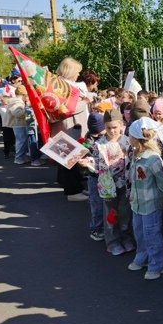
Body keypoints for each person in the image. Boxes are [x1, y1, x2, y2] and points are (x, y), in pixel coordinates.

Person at [127, 117, 163, 281]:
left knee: (152, 234)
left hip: (151, 204)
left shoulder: (153, 158)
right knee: (139, 232)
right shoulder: (136, 155)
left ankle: (157, 264)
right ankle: (142, 257)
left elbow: (162, 180)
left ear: (135, 138)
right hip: (137, 203)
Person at [92, 108, 133, 256]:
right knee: (110, 212)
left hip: (125, 183)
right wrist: (88, 164)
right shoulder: (100, 144)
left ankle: (126, 237)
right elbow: (96, 164)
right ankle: (113, 241)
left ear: (121, 125)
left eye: (115, 127)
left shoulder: (127, 141)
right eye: (108, 128)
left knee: (125, 211)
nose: (112, 131)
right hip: (109, 185)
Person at [52, 57, 89, 202]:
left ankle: (76, 188)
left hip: (70, 127)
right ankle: (72, 191)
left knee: (71, 161)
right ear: (71, 71)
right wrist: (84, 102)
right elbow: (65, 109)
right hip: (68, 128)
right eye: (77, 71)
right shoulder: (62, 87)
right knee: (68, 162)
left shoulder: (63, 84)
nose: (79, 74)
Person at [77, 113, 106, 242]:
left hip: (106, 175)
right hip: (94, 176)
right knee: (97, 204)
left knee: (106, 204)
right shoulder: (88, 142)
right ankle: (96, 228)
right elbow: (83, 157)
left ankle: (105, 226)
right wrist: (84, 162)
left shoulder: (105, 137)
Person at [7, 86, 31, 165]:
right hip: (19, 124)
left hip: (19, 123)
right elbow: (16, 113)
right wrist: (26, 110)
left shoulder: (16, 101)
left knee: (23, 141)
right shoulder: (18, 102)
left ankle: (22, 156)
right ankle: (19, 158)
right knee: (21, 141)